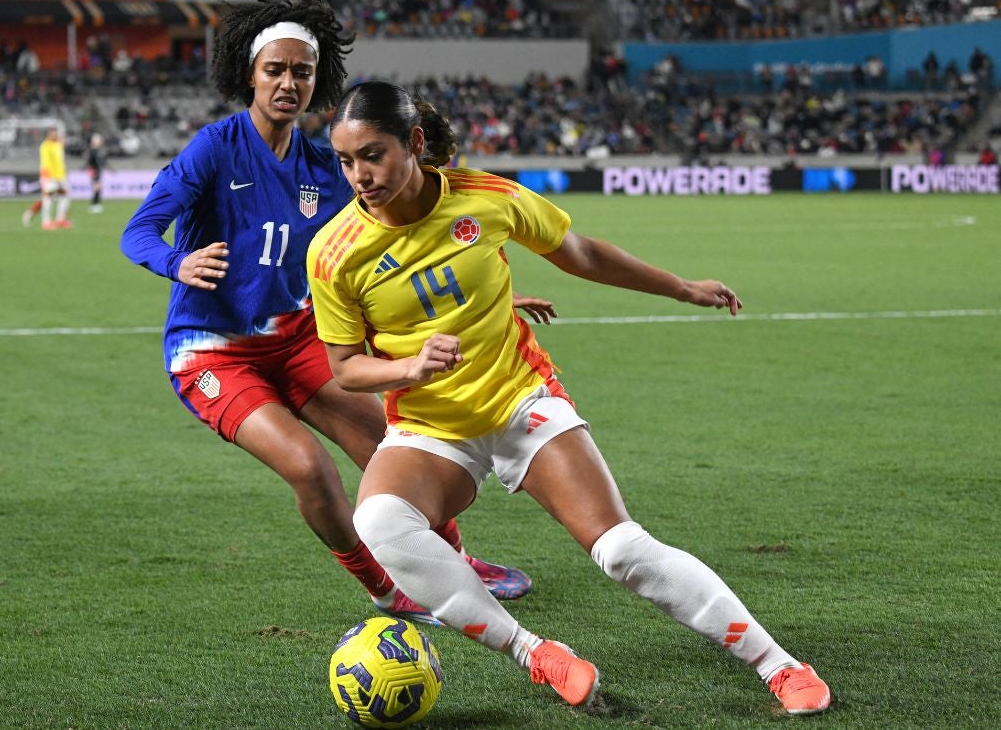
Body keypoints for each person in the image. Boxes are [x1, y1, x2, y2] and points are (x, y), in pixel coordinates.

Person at [307, 81, 832, 716]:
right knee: (380, 525)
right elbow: (344, 369)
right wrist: (409, 367)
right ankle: (537, 654)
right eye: (346, 161)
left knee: (621, 551)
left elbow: (580, 255)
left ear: (415, 144)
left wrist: (680, 288)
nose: (360, 175)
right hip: (430, 427)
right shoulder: (334, 252)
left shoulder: (487, 198)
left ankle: (779, 666)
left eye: (374, 154)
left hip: (520, 401)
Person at [119, 0, 537, 625]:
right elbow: (139, 231)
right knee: (310, 467)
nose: (288, 83)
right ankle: (386, 590)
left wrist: (485, 288)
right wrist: (178, 262)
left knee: (392, 447)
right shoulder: (214, 148)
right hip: (212, 351)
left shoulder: (326, 162)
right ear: (249, 74)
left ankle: (450, 561)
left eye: (301, 72)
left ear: (318, 81)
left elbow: (402, 232)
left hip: (296, 338)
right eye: (274, 70)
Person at [23, 127, 72, 230]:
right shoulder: (45, 146)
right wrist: (52, 176)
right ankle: (45, 222)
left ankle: (60, 219)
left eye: (56, 133)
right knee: (47, 197)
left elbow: (60, 161)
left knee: (65, 195)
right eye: (53, 134)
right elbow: (47, 163)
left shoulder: (58, 145)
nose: (55, 135)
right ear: (49, 134)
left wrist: (62, 175)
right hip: (49, 176)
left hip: (61, 176)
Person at [86, 133, 108, 214]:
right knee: (96, 188)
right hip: (95, 171)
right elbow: (90, 162)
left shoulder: (100, 151)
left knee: (98, 188)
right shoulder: (92, 151)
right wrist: (92, 171)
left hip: (98, 171)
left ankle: (96, 204)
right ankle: (94, 205)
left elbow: (103, 162)